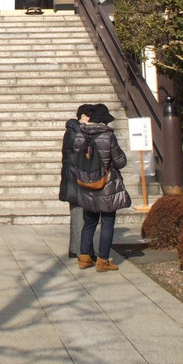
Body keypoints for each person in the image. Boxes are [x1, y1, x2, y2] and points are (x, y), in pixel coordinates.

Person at [71, 103, 130, 272]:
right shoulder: (107, 136)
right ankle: (103, 260)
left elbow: (76, 157)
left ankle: (84, 257)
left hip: (86, 183)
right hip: (105, 184)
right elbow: (120, 161)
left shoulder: (79, 135)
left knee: (89, 221)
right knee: (107, 221)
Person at [58, 104, 93, 259]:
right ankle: (82, 251)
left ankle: (74, 248)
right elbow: (80, 150)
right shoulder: (75, 132)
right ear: (83, 117)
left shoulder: (74, 131)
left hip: (72, 176)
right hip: (74, 177)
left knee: (76, 213)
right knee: (79, 214)